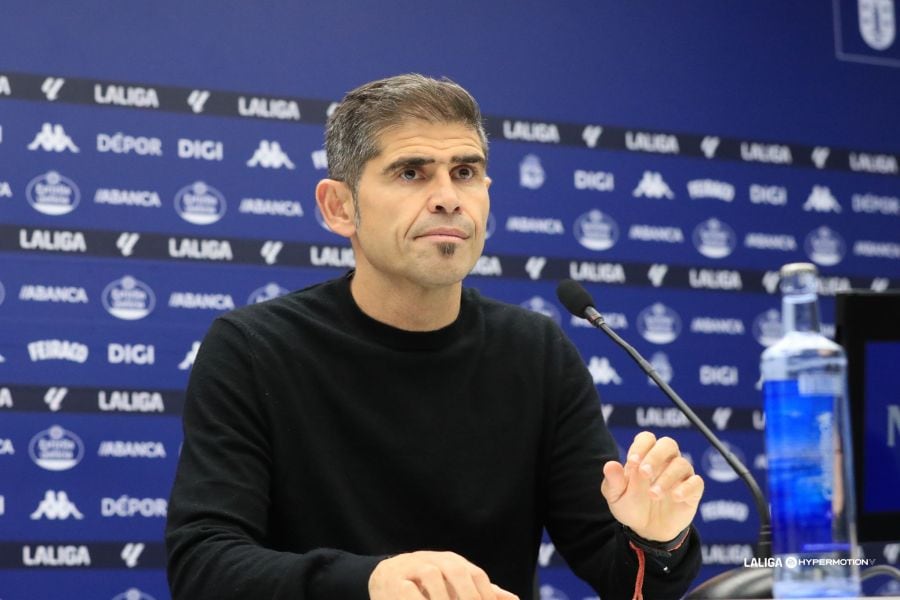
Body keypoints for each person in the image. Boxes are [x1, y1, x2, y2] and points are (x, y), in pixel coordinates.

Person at [165, 74, 704, 600]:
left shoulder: (536, 351)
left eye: (465, 172)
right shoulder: (253, 348)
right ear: (339, 207)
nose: (448, 198)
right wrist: (371, 583)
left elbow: (623, 579)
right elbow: (204, 564)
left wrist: (657, 538)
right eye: (410, 173)